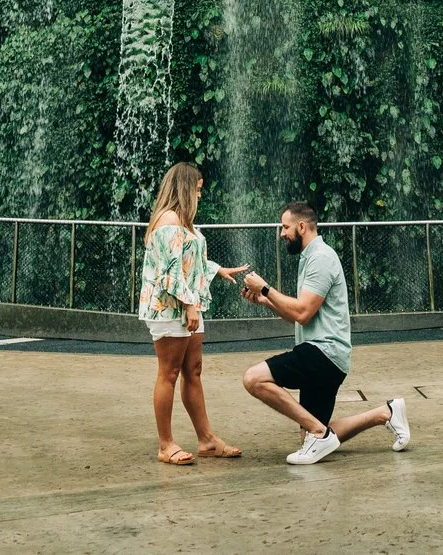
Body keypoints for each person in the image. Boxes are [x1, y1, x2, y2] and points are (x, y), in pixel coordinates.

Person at [237, 202, 411, 465]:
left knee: (254, 379)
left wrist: (265, 288)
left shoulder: (320, 258)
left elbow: (303, 312)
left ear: (302, 226)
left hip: (323, 353)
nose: (282, 233)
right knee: (310, 433)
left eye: (285, 227)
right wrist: (266, 301)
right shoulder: (311, 256)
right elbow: (297, 316)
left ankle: (320, 433)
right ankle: (386, 412)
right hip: (327, 354)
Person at [136, 162, 247, 465]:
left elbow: (188, 261)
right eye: (197, 189)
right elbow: (168, 273)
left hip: (187, 305)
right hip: (169, 308)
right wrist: (189, 304)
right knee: (169, 373)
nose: (200, 194)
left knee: (193, 372)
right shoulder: (170, 220)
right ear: (184, 187)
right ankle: (165, 444)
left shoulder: (183, 223)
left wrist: (216, 269)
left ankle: (207, 440)